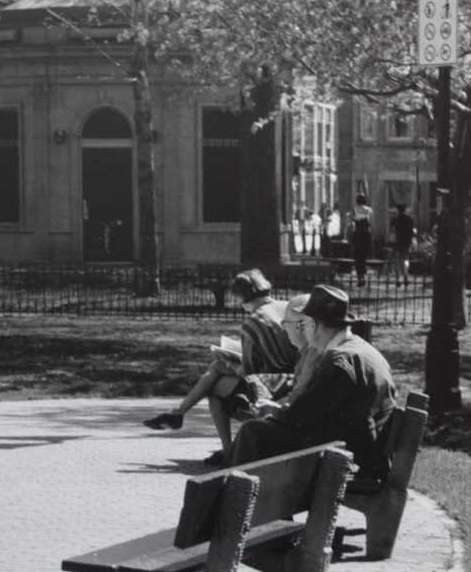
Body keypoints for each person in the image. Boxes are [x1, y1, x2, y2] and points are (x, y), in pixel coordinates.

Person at [217, 284, 397, 479]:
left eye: (305, 325)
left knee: (253, 431)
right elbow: (315, 407)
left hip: (345, 457)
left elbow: (302, 415)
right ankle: (237, 495)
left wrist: (276, 412)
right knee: (263, 432)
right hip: (360, 449)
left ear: (312, 324)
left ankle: (226, 497)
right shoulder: (363, 350)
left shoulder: (339, 360)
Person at [143, 269, 297, 461]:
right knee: (217, 369)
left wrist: (228, 361)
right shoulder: (287, 307)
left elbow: (247, 370)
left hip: (268, 384)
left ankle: (219, 443)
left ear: (242, 296)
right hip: (293, 377)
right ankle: (178, 414)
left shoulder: (253, 322)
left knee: (215, 389)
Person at [349, 192, 373, 286]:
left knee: (357, 254)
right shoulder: (368, 210)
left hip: (357, 234)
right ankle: (363, 273)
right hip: (366, 234)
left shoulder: (353, 209)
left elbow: (352, 223)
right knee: (364, 254)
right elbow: (370, 223)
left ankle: (360, 275)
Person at [389, 203, 416, 285]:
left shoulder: (395, 219)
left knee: (397, 260)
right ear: (405, 210)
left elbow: (392, 230)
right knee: (405, 259)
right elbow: (413, 231)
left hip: (397, 242)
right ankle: (405, 275)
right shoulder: (409, 219)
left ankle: (398, 279)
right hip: (407, 242)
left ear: (398, 210)